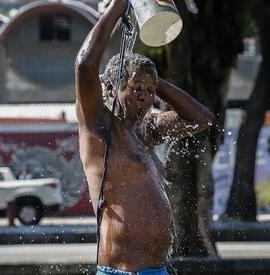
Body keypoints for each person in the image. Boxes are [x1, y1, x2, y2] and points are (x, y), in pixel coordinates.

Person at [75, 0, 215, 274]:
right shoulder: (99, 126)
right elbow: (84, 66)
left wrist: (155, 81)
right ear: (113, 89)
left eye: (150, 91)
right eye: (136, 87)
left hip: (158, 269)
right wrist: (117, 7)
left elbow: (203, 119)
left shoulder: (148, 129)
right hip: (122, 271)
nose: (145, 96)